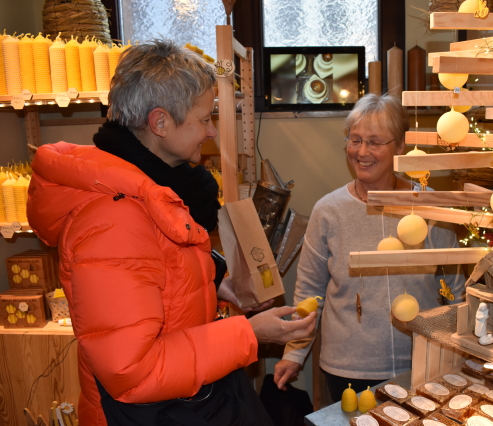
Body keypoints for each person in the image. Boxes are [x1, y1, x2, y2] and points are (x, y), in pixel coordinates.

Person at [27, 40, 315, 426]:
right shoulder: (112, 221)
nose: (210, 131)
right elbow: (135, 371)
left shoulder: (158, 193)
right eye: (204, 118)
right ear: (160, 123)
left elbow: (156, 278)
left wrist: (211, 283)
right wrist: (249, 334)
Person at [273, 94, 465, 402]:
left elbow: (457, 286)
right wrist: (294, 354)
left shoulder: (427, 205)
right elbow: (309, 293)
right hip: (348, 369)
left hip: (421, 361)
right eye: (355, 139)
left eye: (375, 142)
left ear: (399, 146)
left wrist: (460, 349)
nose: (362, 152)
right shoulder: (329, 211)